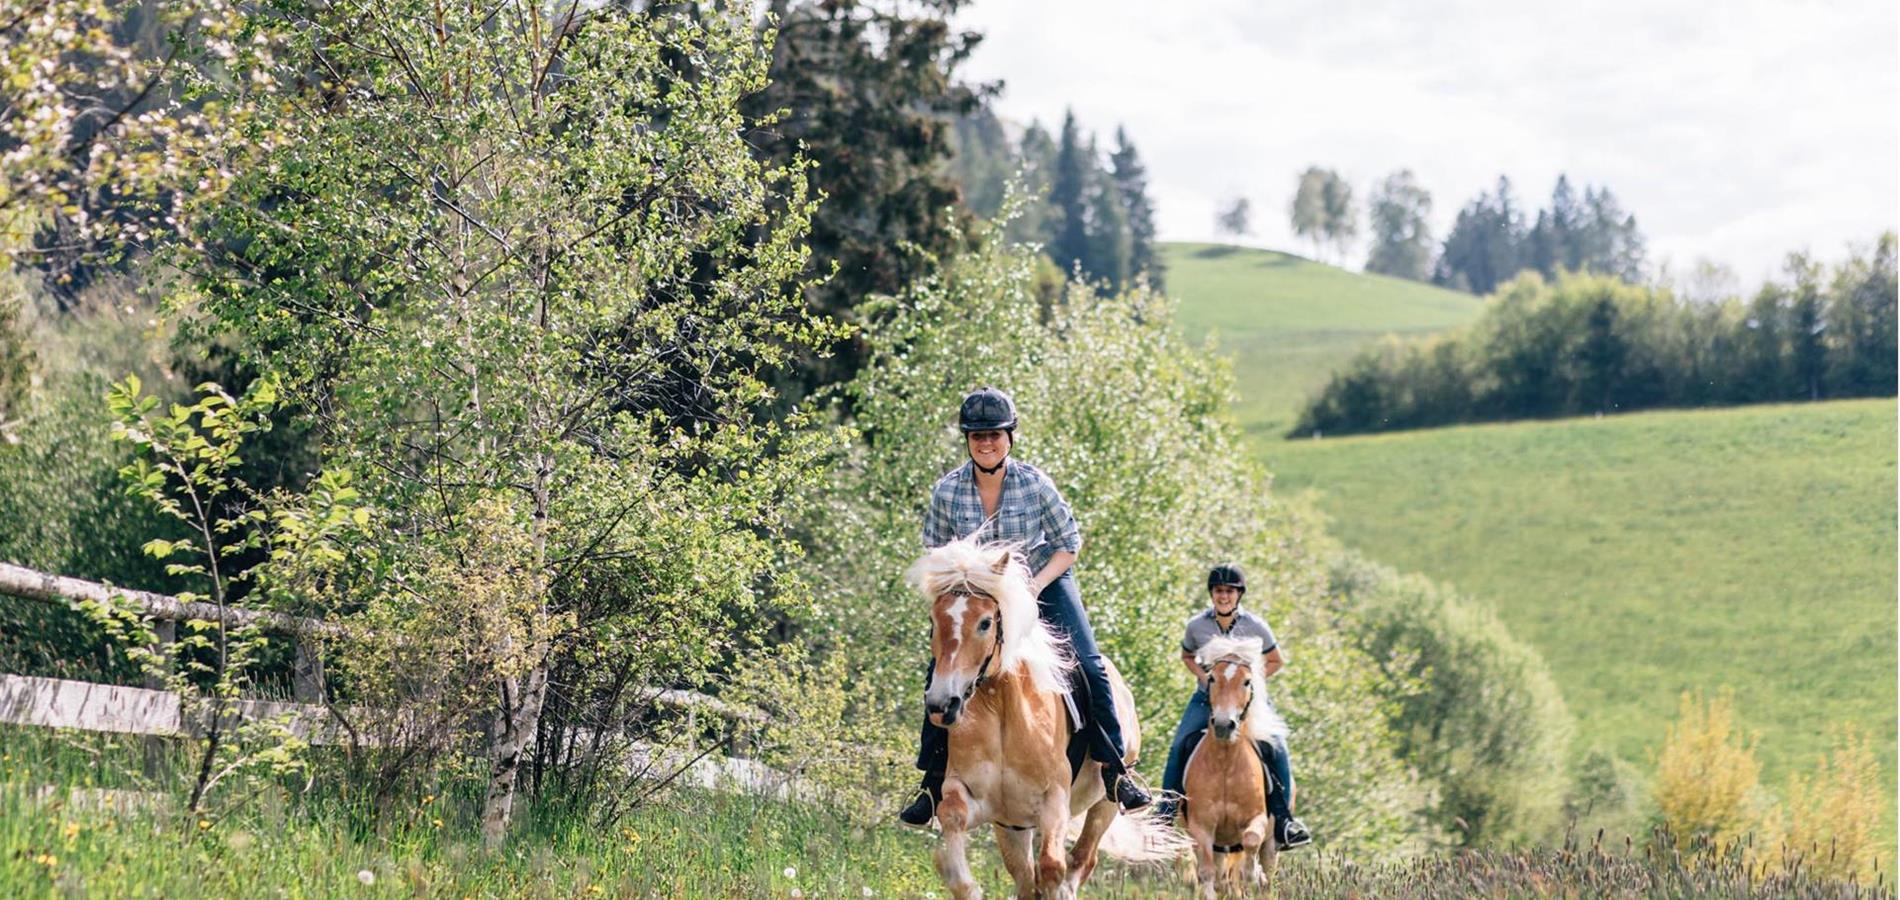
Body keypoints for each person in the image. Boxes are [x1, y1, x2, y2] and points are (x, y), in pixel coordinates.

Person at [899, 386, 1153, 827]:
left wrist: (1030, 587)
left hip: (1043, 582)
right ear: (967, 441)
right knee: (941, 670)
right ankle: (930, 781)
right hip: (976, 597)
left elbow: (1068, 545)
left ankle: (1115, 771)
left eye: (994, 435)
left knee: (1089, 665)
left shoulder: (1034, 484)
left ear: (1009, 438)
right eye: (977, 436)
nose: (986, 442)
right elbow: (935, 554)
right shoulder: (947, 491)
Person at [1157, 563, 1312, 849]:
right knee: (1180, 744)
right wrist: (1206, 679)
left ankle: (1286, 820)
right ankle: (1165, 812)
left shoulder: (1256, 626)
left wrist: (1247, 684)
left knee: (1278, 746)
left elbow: (1276, 659)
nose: (1223, 596)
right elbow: (1187, 655)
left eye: (1229, 591)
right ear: (1212, 593)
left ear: (1238, 594)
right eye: (1219, 591)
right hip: (1208, 698)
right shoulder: (1196, 626)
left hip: (1248, 702)